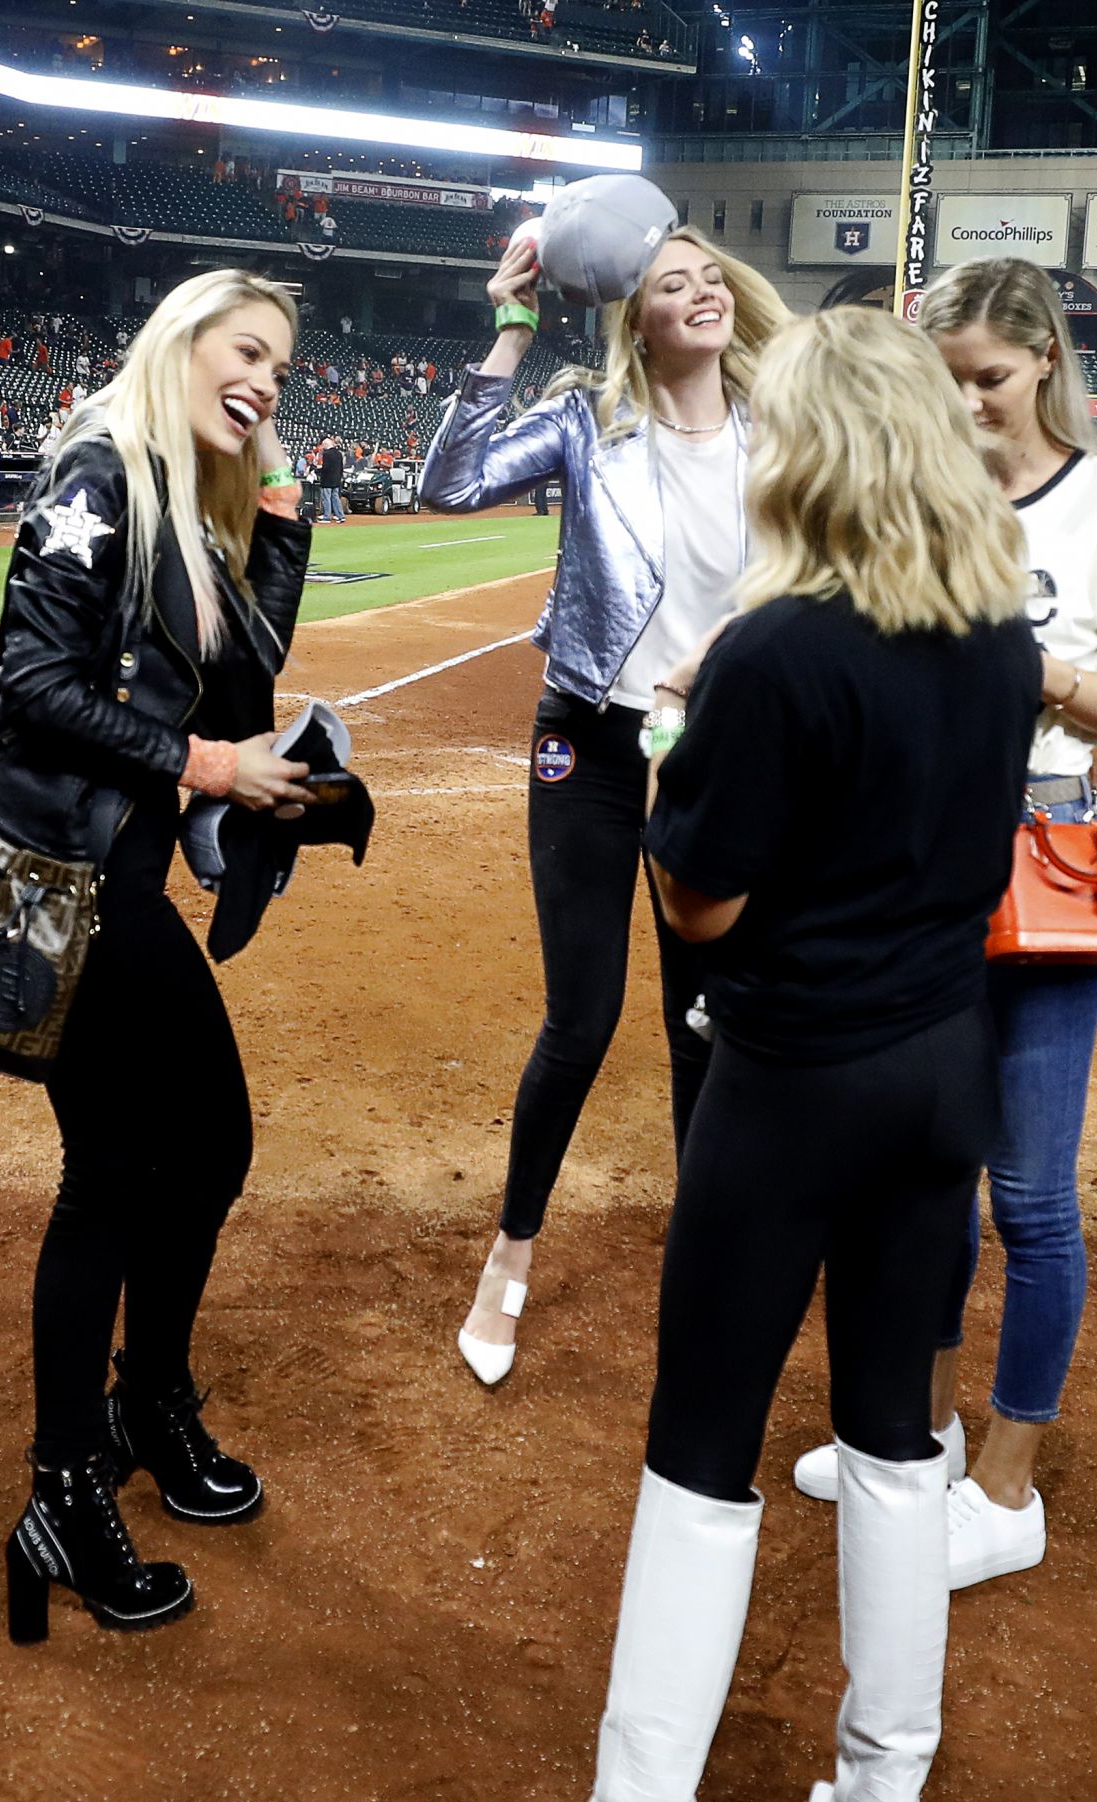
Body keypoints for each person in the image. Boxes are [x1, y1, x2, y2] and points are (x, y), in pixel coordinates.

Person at [535, 308, 1042, 1802]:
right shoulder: (996, 632)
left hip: (792, 1085)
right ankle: (881, 1799)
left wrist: (688, 746)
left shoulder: (776, 650)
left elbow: (704, 903)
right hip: (940, 1080)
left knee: (701, 1455)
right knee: (898, 1434)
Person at [791, 258, 1097, 1587]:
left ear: (1042, 367)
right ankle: (926, 1435)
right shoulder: (909, 499)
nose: (967, 405)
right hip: (909, 855)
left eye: (990, 380)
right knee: (924, 1174)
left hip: (1039, 854)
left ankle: (1007, 1489)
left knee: (1026, 1192)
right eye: (945, 380)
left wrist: (1042, 674)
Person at [0, 270, 319, 1640]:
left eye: (284, 369)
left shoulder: (187, 503)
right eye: (249, 354)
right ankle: (73, 1477)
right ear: (182, 344)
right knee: (128, 1168)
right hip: (52, 872)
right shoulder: (96, 469)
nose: (269, 381)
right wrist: (204, 764)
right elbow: (31, 683)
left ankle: (140, 1412)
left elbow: (253, 662)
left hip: (106, 872)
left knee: (184, 1152)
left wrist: (276, 494)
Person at [421, 222, 787, 1387]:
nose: (700, 290)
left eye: (710, 274)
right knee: (580, 1019)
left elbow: (823, 572)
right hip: (591, 736)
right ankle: (510, 1257)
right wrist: (512, 323)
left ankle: (710, 1265)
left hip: (719, 745)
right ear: (633, 316)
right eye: (670, 281)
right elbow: (448, 481)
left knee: (705, 1021)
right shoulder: (590, 420)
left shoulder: (783, 430)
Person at [317, 434, 346, 522]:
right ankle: (340, 516)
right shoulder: (339, 454)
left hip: (327, 480)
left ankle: (327, 516)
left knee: (326, 498)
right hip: (336, 480)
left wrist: (318, 470)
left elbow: (326, 468)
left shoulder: (327, 454)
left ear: (325, 445)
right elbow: (341, 468)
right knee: (336, 498)